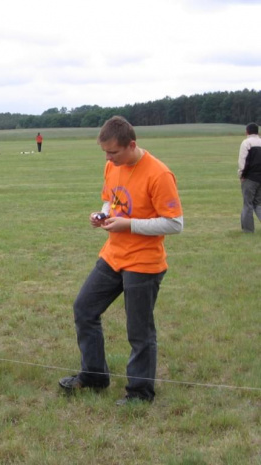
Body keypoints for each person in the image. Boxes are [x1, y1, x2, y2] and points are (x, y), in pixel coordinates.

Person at [58, 116, 183, 405]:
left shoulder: (159, 174)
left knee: (139, 330)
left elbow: (175, 223)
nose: (108, 158)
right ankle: (94, 377)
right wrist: (101, 215)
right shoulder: (111, 167)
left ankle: (140, 392)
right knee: (84, 308)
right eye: (105, 152)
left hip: (144, 262)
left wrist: (129, 225)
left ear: (132, 145)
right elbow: (111, 200)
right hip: (113, 255)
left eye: (113, 152)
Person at [238, 122, 261, 233]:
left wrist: (242, 175)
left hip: (250, 177)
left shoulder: (246, 143)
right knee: (258, 203)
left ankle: (248, 230)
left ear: (247, 131)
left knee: (247, 204)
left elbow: (243, 161)